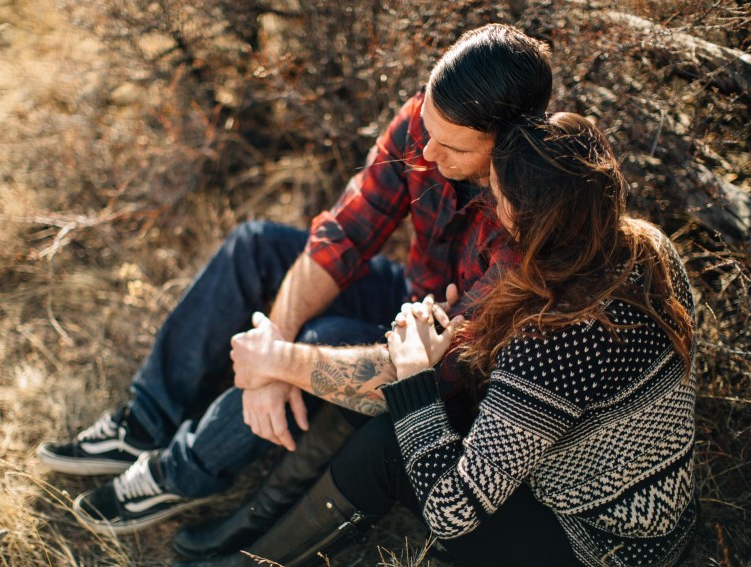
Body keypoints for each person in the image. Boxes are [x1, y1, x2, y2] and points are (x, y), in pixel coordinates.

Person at [36, 24, 553, 543]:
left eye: (453, 149)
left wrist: (283, 361)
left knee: (324, 337)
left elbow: (437, 376)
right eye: (428, 130)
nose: (429, 153)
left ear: (509, 145)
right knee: (255, 246)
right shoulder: (430, 121)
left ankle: (179, 473)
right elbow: (344, 234)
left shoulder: (533, 221)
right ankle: (143, 423)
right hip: (412, 297)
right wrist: (273, 346)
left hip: (444, 366)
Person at [184, 113, 698, 567]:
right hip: (654, 512)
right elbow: (547, 399)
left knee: (388, 443)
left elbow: (452, 511)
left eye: (496, 197)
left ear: (531, 218)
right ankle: (250, 528)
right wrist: (465, 325)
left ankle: (248, 561)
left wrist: (414, 382)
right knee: (396, 397)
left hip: (599, 547)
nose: (489, 208)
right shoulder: (645, 247)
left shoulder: (550, 336)